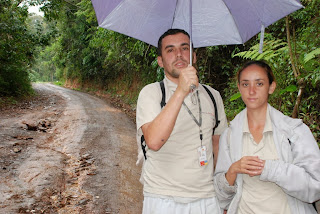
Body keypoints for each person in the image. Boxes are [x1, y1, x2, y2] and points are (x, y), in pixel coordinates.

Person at [136, 28, 228, 213]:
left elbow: (218, 148)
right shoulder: (151, 93)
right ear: (160, 61)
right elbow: (153, 141)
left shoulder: (212, 95)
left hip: (207, 198)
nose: (179, 54)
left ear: (193, 55)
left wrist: (224, 197)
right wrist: (181, 91)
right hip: (163, 197)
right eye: (170, 50)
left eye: (184, 48)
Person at [214, 60, 320, 214]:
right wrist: (232, 171)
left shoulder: (295, 131)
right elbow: (221, 197)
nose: (251, 91)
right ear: (239, 88)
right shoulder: (229, 135)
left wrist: (271, 169)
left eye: (259, 84)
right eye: (245, 84)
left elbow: (315, 188)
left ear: (271, 87)